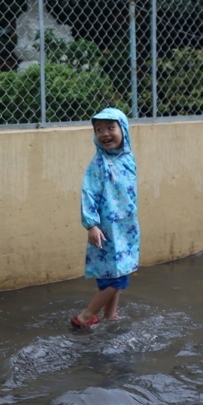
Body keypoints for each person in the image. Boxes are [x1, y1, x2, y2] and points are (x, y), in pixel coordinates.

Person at [71, 108, 139, 329]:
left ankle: (110, 314)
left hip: (126, 227)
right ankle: (86, 317)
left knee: (121, 271)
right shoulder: (98, 164)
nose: (105, 133)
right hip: (106, 229)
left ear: (123, 129)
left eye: (111, 127)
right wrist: (91, 224)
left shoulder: (127, 159)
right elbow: (88, 193)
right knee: (115, 278)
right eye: (99, 129)